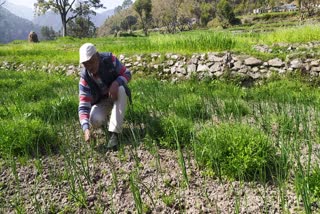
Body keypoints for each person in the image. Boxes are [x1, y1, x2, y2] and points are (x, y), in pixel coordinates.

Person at [78, 43, 131, 150]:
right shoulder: (85, 79)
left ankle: (114, 133)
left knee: (121, 89)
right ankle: (107, 122)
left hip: (118, 95)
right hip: (102, 101)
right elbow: (83, 106)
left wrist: (116, 83)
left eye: (92, 61)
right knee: (95, 120)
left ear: (97, 56)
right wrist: (86, 129)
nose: (90, 66)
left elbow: (127, 73)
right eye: (86, 64)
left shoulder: (110, 60)